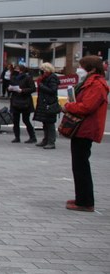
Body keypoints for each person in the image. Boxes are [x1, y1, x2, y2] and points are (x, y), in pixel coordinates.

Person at [63, 56, 108, 212]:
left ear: (92, 69)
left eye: (81, 67)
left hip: (86, 129)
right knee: (79, 165)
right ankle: (81, 197)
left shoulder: (97, 85)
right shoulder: (90, 83)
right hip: (82, 128)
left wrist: (69, 106)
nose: (78, 69)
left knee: (81, 165)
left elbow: (86, 107)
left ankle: (85, 202)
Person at [33, 62, 61, 150]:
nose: (41, 72)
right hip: (44, 102)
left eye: (43, 70)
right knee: (45, 122)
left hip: (49, 103)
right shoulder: (45, 78)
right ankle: (46, 140)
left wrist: (41, 86)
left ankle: (51, 141)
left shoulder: (52, 78)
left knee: (50, 123)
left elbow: (53, 90)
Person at [8, 63, 37, 143]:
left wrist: (22, 90)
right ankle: (17, 137)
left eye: (18, 69)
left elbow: (33, 89)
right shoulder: (13, 77)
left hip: (25, 101)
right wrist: (9, 89)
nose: (16, 71)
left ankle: (32, 137)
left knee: (26, 120)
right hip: (15, 100)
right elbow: (10, 87)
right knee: (15, 120)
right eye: (15, 69)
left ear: (22, 70)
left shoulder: (27, 77)